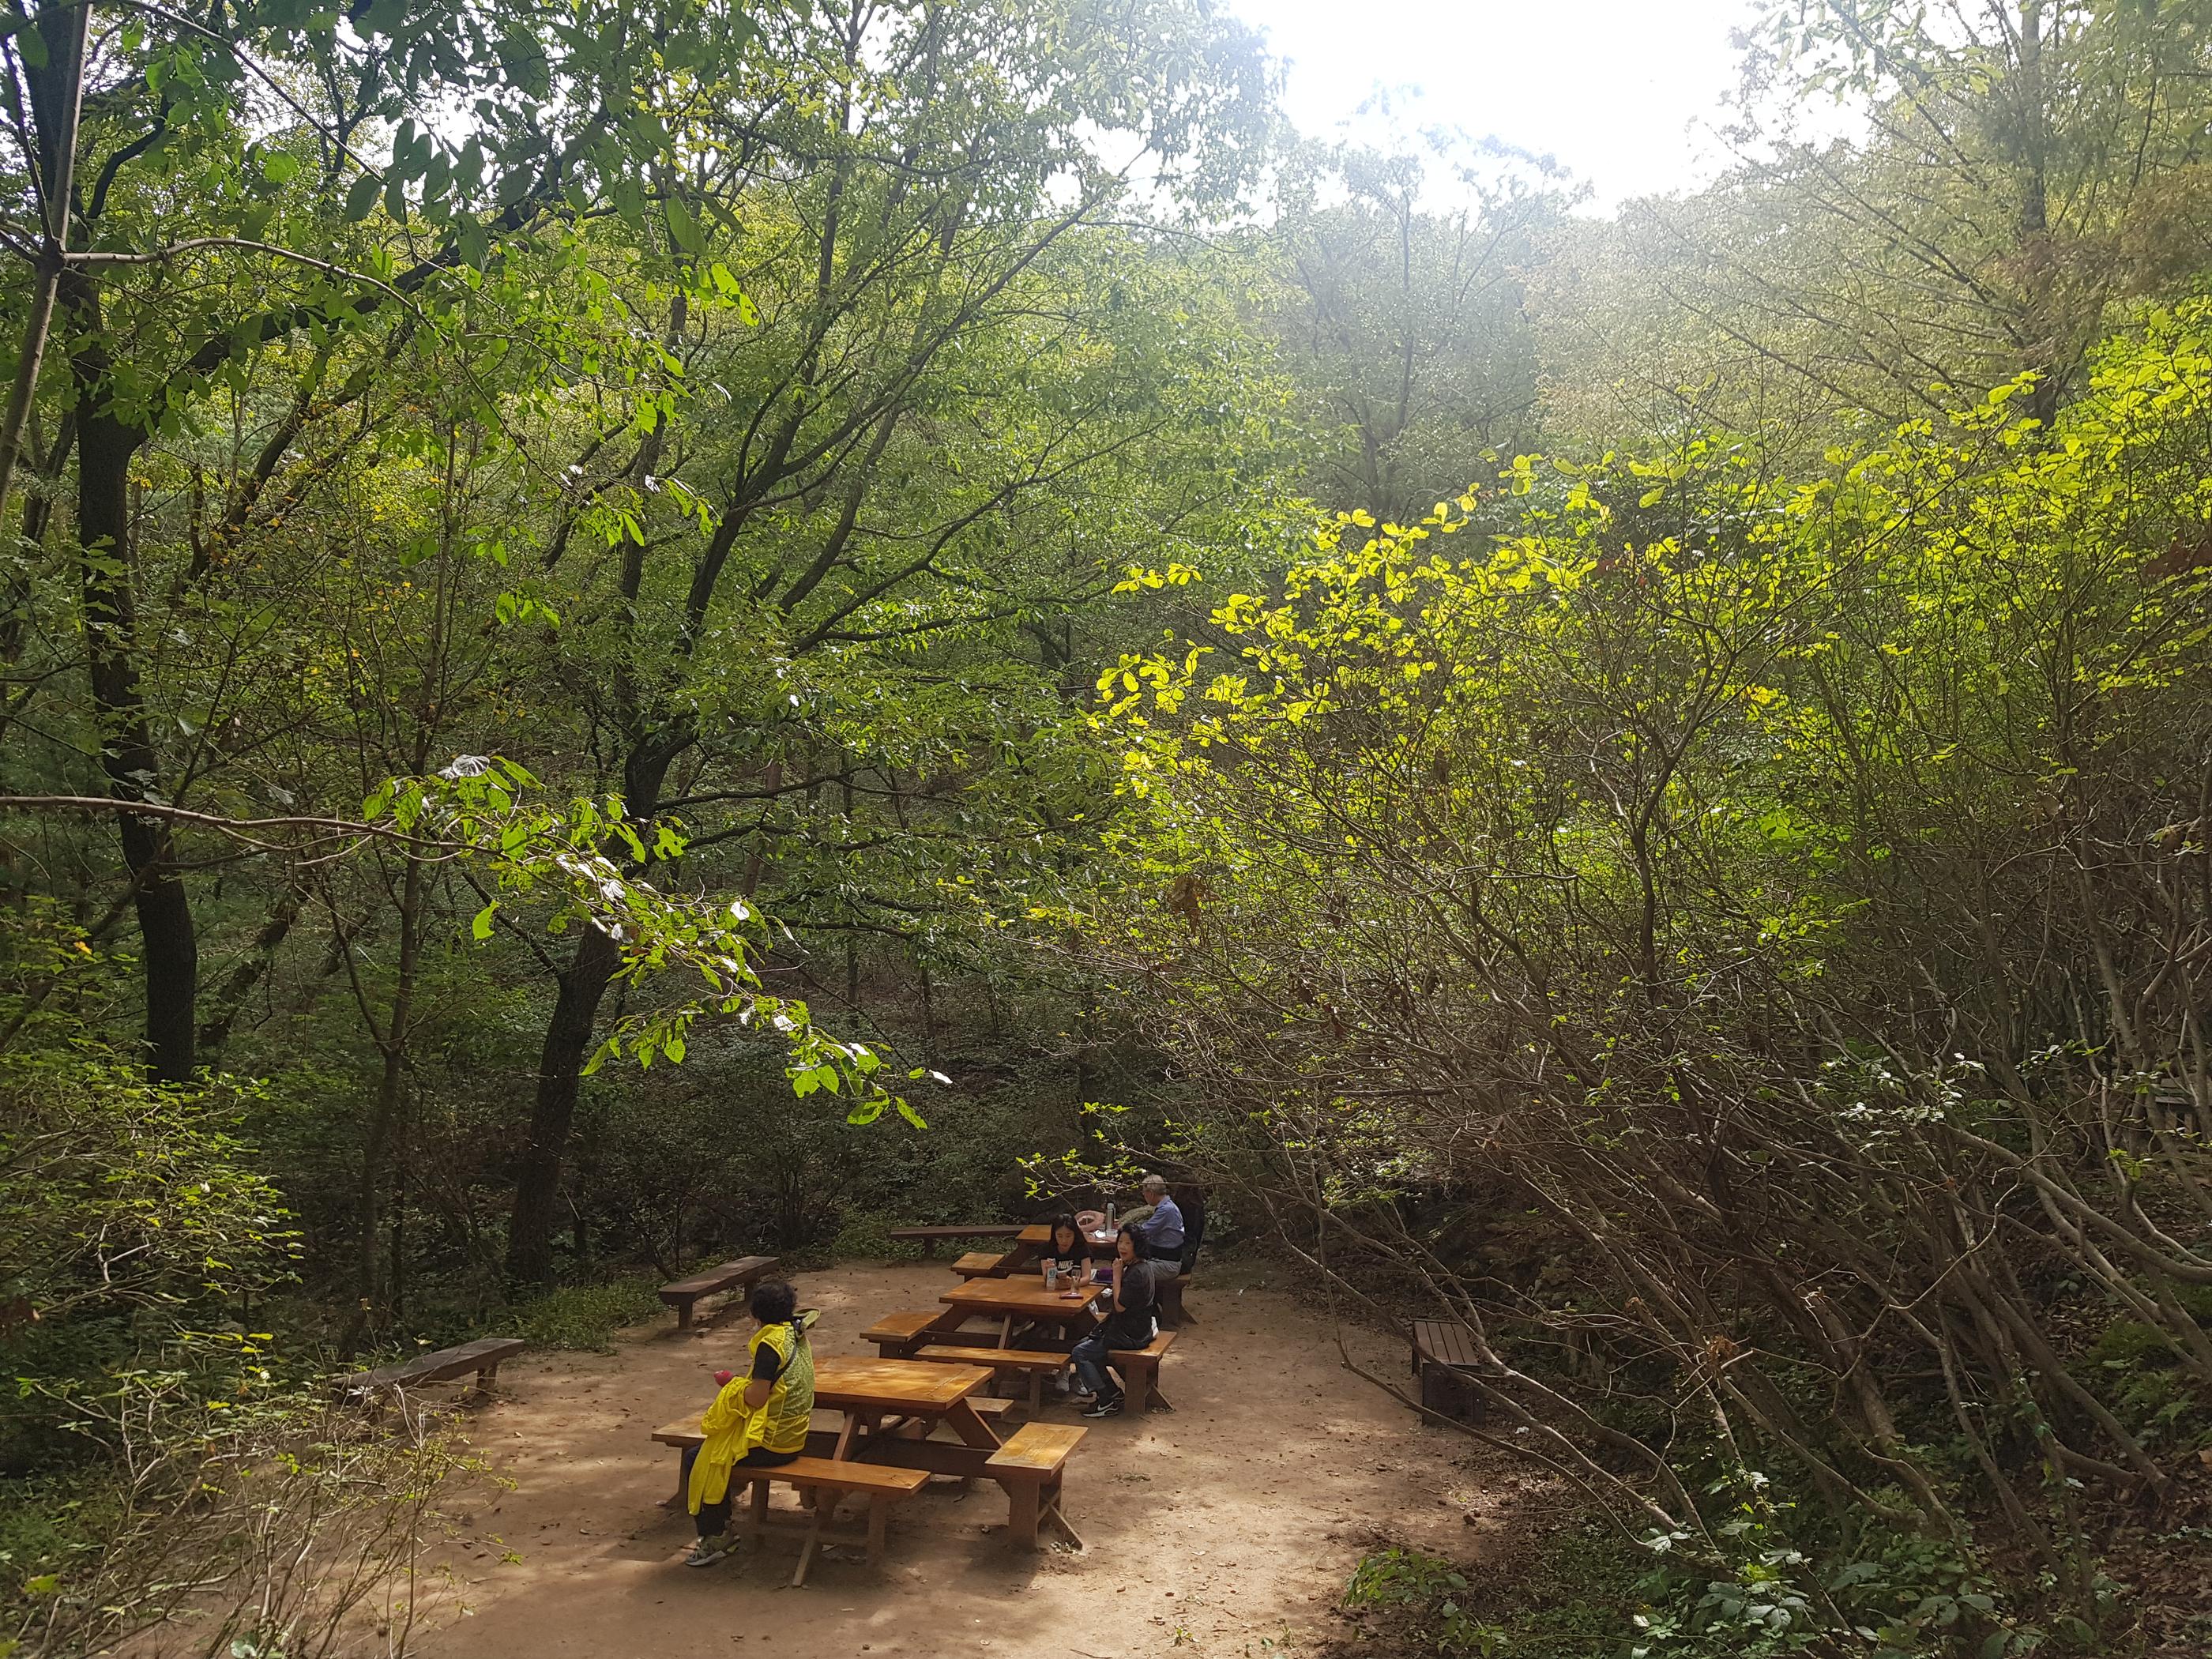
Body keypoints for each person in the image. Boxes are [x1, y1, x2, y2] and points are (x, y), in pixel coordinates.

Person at [680, 1281, 818, 1567]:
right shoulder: (795, 1333)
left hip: (773, 1444)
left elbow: (756, 1398)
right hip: (795, 1436)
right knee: (711, 1451)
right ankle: (721, 1521)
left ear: (755, 1316)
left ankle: (717, 1536)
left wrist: (732, 1385)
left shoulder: (769, 1345)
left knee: (701, 1458)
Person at [1069, 1224, 1162, 1418]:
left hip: (1131, 1334)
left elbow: (1120, 1306)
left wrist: (1117, 1277)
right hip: (1134, 1329)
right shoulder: (1141, 1266)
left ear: (1138, 1245)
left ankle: (1105, 1399)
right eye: (1121, 1241)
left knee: (1080, 1352)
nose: (1123, 1246)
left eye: (1128, 1243)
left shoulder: (1137, 1273)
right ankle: (1112, 1392)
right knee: (1085, 1345)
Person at [1128, 1173, 1184, 1266]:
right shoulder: (1167, 1206)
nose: (1144, 1195)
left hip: (1166, 1260)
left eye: (1144, 1193)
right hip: (1163, 1254)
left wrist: (1124, 1232)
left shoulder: (1167, 1210)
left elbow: (1143, 1231)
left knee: (1132, 1268)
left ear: (1151, 1193)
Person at [1037, 1213, 1091, 1285]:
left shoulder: (1082, 1248)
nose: (1064, 1241)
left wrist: (1071, 1283)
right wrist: (1049, 1272)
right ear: (1054, 1234)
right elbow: (1046, 1279)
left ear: (1075, 1234)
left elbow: (1086, 1278)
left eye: (1068, 1236)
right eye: (1059, 1236)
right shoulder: (1046, 1249)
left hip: (1076, 1288)